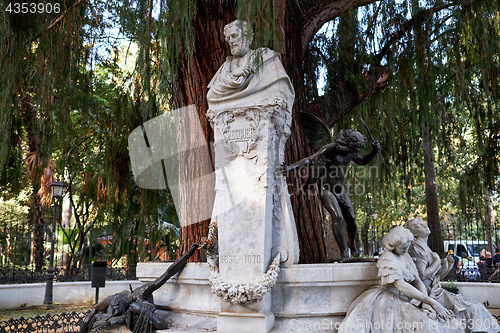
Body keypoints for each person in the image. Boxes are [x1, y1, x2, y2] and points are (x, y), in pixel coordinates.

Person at [282, 129, 380, 261]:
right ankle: (344, 251)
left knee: (351, 219)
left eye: (356, 149)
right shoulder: (330, 149)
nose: (355, 152)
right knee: (337, 216)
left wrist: (374, 151)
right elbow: (309, 160)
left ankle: (351, 243)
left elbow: (362, 161)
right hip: (326, 188)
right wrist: (290, 168)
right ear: (348, 143)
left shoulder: (352, 152)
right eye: (354, 148)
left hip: (340, 190)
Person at [338, 226, 456, 333]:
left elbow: (417, 281)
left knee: (435, 324)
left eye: (407, 247)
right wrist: (432, 302)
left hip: (408, 297)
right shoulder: (387, 259)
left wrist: (426, 302)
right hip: (390, 299)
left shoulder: (406, 256)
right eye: (403, 248)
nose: (406, 250)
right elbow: (402, 286)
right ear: (393, 246)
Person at [405, 218, 499, 333]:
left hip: (436, 291)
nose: (425, 225)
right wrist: (437, 263)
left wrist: (448, 266)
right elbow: (423, 275)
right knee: (473, 308)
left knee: (475, 307)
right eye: (420, 225)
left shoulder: (426, 248)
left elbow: (436, 277)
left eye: (424, 223)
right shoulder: (416, 249)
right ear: (414, 233)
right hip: (429, 294)